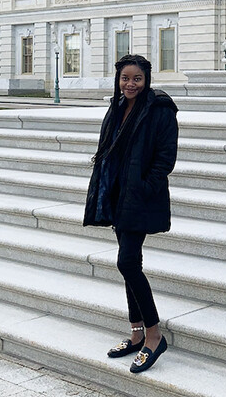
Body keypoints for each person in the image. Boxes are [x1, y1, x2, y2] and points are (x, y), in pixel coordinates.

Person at [83, 54, 178, 373]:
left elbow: (166, 158)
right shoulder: (118, 105)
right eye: (125, 78)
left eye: (136, 78)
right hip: (116, 194)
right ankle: (136, 333)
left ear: (147, 80)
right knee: (129, 263)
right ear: (118, 79)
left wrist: (143, 186)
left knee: (126, 261)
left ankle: (154, 335)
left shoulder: (160, 108)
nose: (130, 84)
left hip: (139, 196)